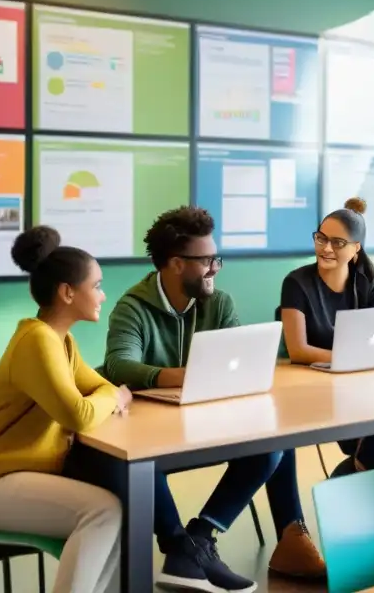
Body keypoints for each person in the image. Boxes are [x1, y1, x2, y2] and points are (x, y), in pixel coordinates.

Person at [97, 206, 325, 589]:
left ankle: (198, 540)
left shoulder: (218, 302)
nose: (215, 268)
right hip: (150, 432)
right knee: (138, 462)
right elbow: (119, 366)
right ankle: (183, 547)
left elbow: (237, 357)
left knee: (274, 444)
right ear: (174, 264)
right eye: (205, 261)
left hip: (205, 422)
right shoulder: (132, 308)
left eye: (215, 258)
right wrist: (183, 377)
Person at [0, 227, 130, 593]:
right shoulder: (37, 341)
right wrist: (111, 400)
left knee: (119, 510)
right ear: (67, 292)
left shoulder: (61, 340)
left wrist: (107, 396)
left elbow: (101, 387)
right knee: (104, 511)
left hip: (25, 476)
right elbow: (80, 414)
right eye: (97, 285)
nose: (103, 294)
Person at [280, 198, 374, 476]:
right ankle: (355, 471)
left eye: (337, 242)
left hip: (358, 385)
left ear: (356, 249)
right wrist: (351, 360)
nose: (326, 248)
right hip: (310, 388)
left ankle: (353, 472)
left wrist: (356, 363)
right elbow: (299, 351)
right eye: (321, 238)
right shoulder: (295, 283)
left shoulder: (368, 282)